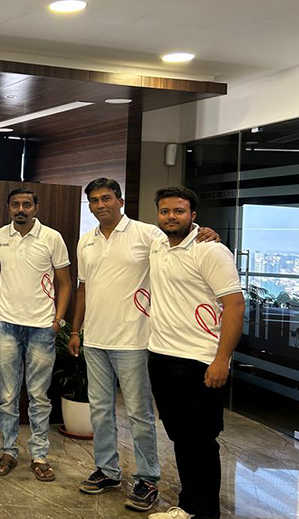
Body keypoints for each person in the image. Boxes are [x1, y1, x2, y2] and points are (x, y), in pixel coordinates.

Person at [70, 178, 219, 512]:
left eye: (106, 198)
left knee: (139, 414)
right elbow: (83, 287)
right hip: (95, 339)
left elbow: (181, 240)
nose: (100, 205)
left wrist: (205, 232)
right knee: (100, 410)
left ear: (120, 201)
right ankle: (107, 470)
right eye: (94, 200)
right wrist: (76, 330)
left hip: (135, 340)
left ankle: (147, 478)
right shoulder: (86, 241)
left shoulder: (147, 234)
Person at [146, 186, 244, 519]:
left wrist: (222, 360)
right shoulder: (158, 246)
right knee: (180, 437)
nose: (170, 217)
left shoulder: (210, 251)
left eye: (178, 211)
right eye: (165, 211)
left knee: (200, 441)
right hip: (161, 357)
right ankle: (188, 506)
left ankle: (204, 512)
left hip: (198, 361)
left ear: (193, 215)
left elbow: (235, 305)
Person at [0, 188, 71, 482]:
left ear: (36, 207)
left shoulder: (52, 237)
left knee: (38, 396)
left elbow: (65, 282)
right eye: (15, 205)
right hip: (6, 325)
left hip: (41, 327)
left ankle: (39, 456)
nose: (20, 209)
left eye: (26, 204)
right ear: (9, 208)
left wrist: (57, 321)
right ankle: (8, 451)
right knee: (7, 396)